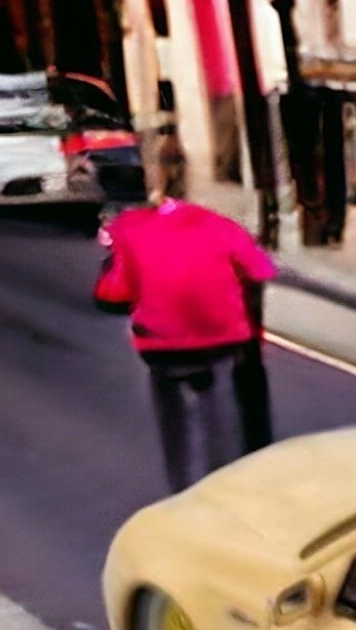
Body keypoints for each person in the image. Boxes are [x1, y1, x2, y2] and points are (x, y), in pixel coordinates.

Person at [93, 194, 276, 492]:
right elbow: (261, 269)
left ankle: (182, 488)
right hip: (221, 340)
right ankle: (229, 482)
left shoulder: (131, 228)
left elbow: (114, 294)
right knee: (222, 408)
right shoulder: (221, 225)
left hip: (161, 347)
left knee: (173, 417)